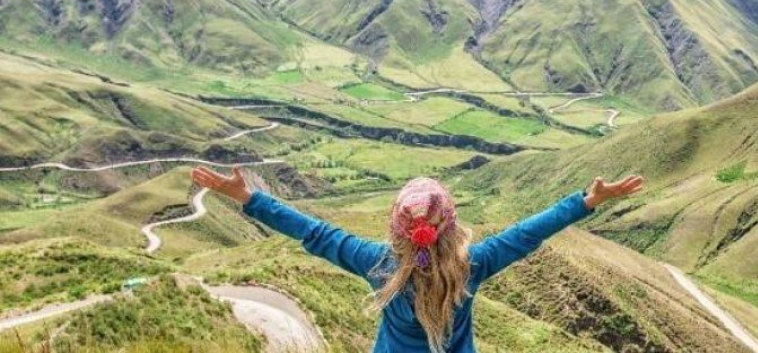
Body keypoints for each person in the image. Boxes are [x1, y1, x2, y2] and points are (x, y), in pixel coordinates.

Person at [191, 166, 644, 353]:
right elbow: (527, 233)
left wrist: (250, 198)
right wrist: (585, 201)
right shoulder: (474, 264)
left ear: (395, 228)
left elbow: (313, 232)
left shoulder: (377, 265)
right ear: (451, 226)